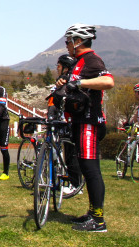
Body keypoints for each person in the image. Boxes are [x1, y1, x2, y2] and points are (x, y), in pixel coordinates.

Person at [57, 23, 114, 232]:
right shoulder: (78, 62)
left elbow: (108, 81)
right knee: (86, 168)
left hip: (89, 122)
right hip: (79, 121)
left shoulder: (91, 59)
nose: (66, 45)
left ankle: (98, 221)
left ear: (78, 41)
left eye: (68, 41)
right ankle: (92, 213)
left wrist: (80, 84)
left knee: (91, 170)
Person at [48, 54, 82, 196]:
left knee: (70, 154)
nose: (57, 68)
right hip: (64, 121)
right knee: (67, 153)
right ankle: (70, 181)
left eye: (59, 65)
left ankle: (75, 184)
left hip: (70, 121)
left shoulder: (67, 81)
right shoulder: (62, 80)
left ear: (66, 68)